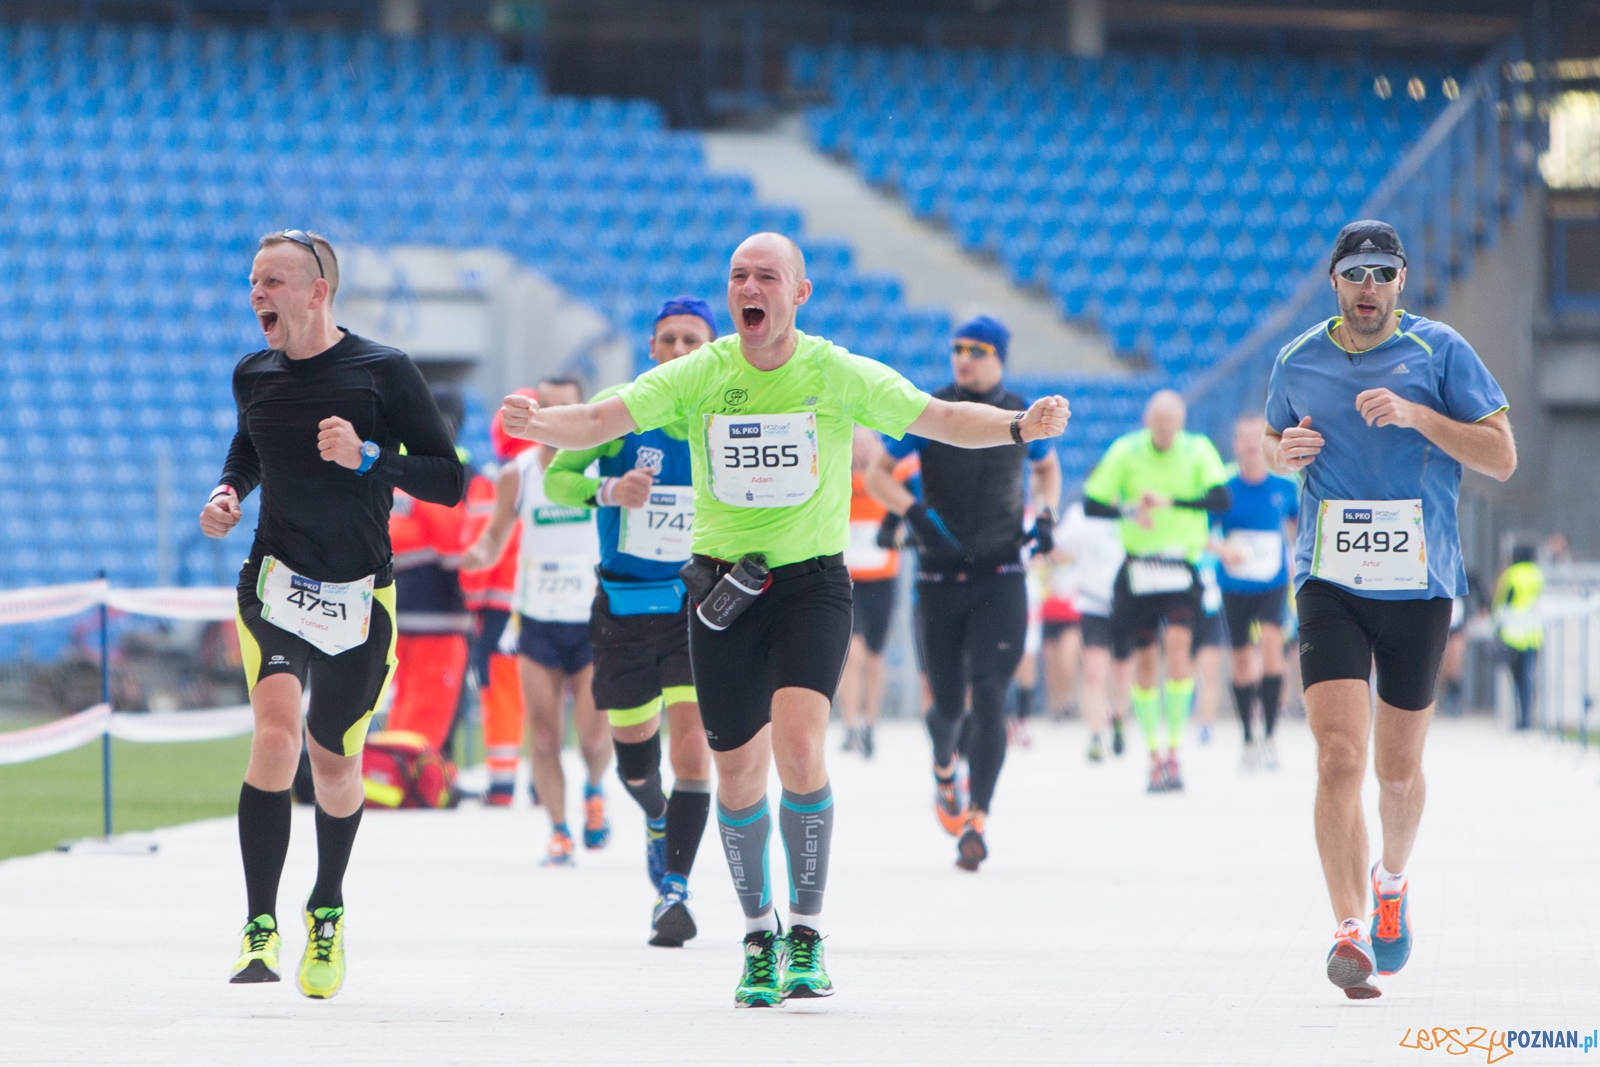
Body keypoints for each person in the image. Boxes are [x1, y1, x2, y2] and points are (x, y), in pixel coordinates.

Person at [498, 233, 1070, 1007]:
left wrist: (1018, 427)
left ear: (799, 293)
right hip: (722, 591)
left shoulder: (833, 371)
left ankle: (806, 932)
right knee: (737, 772)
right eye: (738, 275)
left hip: (811, 586)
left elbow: (937, 416)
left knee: (800, 748)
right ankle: (757, 935)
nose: (749, 287)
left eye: (766, 275)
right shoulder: (701, 371)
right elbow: (602, 417)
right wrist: (539, 425)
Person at [201, 230, 464, 997]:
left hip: (357, 597)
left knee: (334, 760)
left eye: (274, 281)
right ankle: (259, 924)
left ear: (318, 292)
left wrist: (370, 457)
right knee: (275, 736)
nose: (258, 294)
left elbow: (450, 481)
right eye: (253, 281)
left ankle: (327, 906)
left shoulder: (384, 371)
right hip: (275, 585)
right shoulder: (254, 373)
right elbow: (249, 447)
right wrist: (227, 492)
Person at [1264, 220, 1516, 999]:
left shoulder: (1441, 352)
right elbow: (1273, 441)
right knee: (1339, 755)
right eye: (1355, 274)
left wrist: (1418, 417)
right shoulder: (1298, 358)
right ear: (1335, 283)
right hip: (1329, 580)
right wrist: (1282, 454)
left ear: (1401, 280)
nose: (1368, 287)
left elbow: (1502, 456)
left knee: (1397, 773)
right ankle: (1348, 930)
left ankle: (1391, 883)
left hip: (1419, 583)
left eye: (1382, 273)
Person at [537, 297, 718, 947]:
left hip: (694, 607)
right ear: (651, 349)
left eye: (692, 340)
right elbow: (556, 480)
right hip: (624, 609)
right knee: (636, 766)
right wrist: (609, 490)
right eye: (669, 340)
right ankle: (655, 814)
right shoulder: (619, 411)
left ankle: (676, 889)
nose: (679, 350)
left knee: (692, 747)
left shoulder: (725, 420)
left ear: (712, 350)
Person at [865, 314, 1061, 871]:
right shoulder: (931, 410)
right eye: (956, 348)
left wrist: (1046, 516)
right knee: (949, 703)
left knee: (991, 691)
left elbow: (1048, 471)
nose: (963, 358)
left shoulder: (1020, 414)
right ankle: (944, 768)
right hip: (939, 574)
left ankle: (978, 817)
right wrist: (912, 511)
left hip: (1001, 571)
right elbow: (878, 475)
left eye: (976, 349)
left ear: (999, 357)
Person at [462, 378, 610, 866]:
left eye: (567, 408)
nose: (556, 418)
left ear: (582, 412)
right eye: (547, 408)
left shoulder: (600, 467)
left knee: (593, 735)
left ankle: (594, 790)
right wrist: (479, 554)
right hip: (537, 620)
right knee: (544, 737)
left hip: (592, 620)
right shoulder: (518, 474)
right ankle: (559, 831)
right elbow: (496, 536)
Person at [1083, 390, 1230, 792]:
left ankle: (1175, 748)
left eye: (1171, 428)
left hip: (1180, 567)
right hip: (1139, 569)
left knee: (1179, 651)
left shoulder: (1198, 449)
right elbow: (1092, 502)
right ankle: (1153, 753)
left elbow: (1220, 498)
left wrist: (1169, 502)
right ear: (1147, 422)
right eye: (1158, 427)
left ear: (1181, 424)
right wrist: (1130, 510)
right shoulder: (1126, 451)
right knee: (1145, 662)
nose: (1164, 435)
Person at [385, 389, 474, 754]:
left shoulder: (393, 473)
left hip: (398, 611)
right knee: (427, 713)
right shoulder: (441, 477)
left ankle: (392, 775)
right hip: (438, 615)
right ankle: (411, 775)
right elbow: (455, 548)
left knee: (404, 706)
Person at [1211, 413, 1298, 770]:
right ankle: (1249, 734)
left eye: (1255, 437)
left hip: (1273, 582)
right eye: (1243, 437)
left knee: (1272, 648)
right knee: (1242, 659)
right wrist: (1222, 549)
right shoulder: (1224, 489)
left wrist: (1295, 556)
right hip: (1234, 585)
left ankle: (1271, 735)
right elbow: (1201, 531)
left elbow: (1298, 524)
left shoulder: (1285, 487)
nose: (1250, 445)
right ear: (1235, 444)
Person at [460, 405, 533, 805]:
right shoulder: (558, 472)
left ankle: (503, 785)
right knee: (547, 692)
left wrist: (471, 599)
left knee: (502, 693)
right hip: (550, 604)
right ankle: (544, 783)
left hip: (499, 609)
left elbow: (480, 544)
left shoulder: (492, 480)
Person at [837, 426, 911, 759]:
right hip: (847, 579)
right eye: (858, 443)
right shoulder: (838, 478)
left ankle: (870, 723)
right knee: (851, 653)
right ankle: (850, 725)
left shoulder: (890, 478)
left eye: (869, 443)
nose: (864, 449)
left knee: (874, 655)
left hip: (882, 578)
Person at [1049, 501, 1128, 760]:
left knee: (1121, 671)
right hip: (1092, 602)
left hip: (1126, 603)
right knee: (1094, 671)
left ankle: (1118, 719)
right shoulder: (1081, 514)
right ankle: (1095, 734)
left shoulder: (1132, 508)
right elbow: (1056, 547)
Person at [1492, 545, 1544, 731]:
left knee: (1517, 679)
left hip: (1513, 634)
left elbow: (1502, 602)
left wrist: (1497, 626)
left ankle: (1520, 719)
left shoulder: (1511, 574)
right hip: (1533, 634)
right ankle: (1528, 718)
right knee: (1529, 678)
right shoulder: (1537, 574)